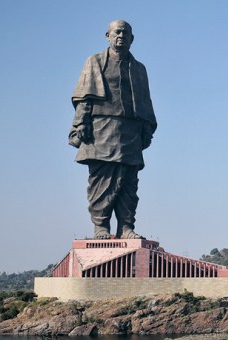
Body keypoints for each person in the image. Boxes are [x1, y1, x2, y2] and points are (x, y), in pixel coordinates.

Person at [69, 20, 157, 240]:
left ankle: (126, 227)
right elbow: (84, 97)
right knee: (101, 180)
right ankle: (101, 226)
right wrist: (81, 123)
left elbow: (145, 102)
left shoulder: (139, 69)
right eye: (117, 32)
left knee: (129, 182)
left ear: (132, 39)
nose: (121, 36)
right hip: (101, 129)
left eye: (126, 33)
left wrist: (146, 129)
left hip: (130, 131)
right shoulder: (95, 61)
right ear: (107, 35)